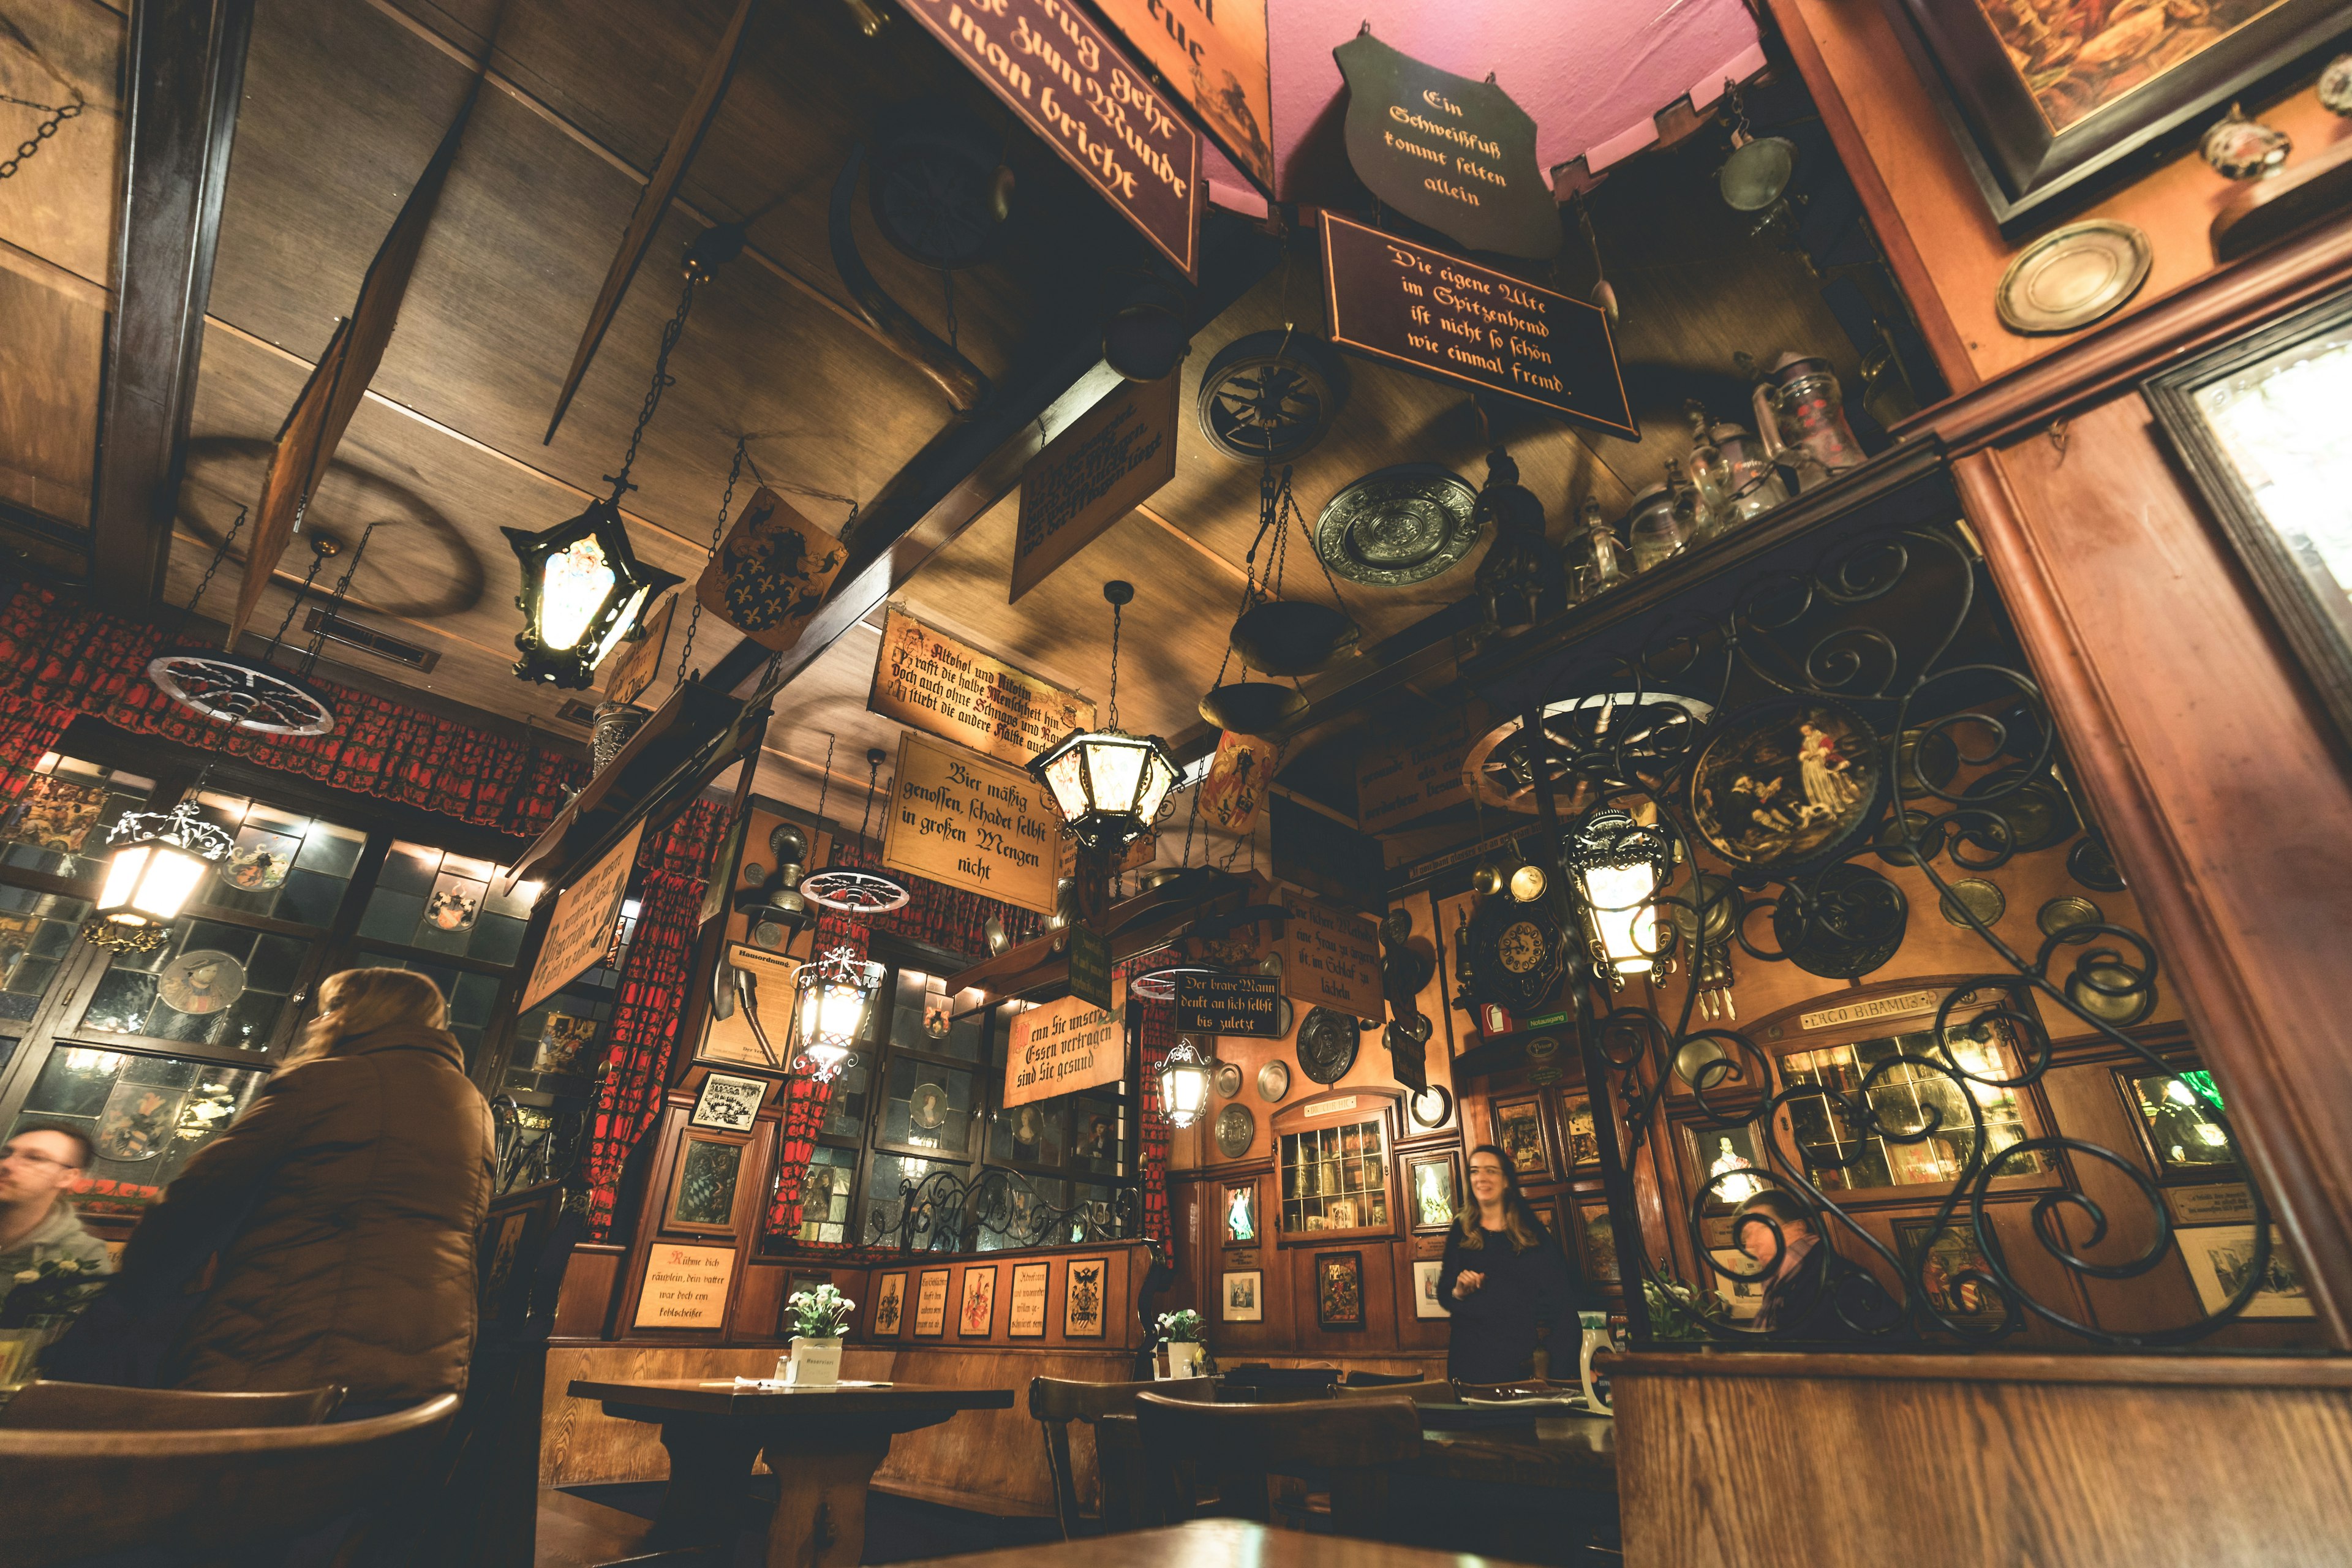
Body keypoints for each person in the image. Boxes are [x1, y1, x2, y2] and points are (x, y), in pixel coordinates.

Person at [112, 967, 494, 1410]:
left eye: (329, 1009)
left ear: (357, 1014)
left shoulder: (329, 1081)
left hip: (289, 1341)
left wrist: (134, 1294)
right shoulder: (473, 1105)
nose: (315, 1023)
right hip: (424, 1352)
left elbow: (197, 1197)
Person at [1436, 1144, 1586, 1384]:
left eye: (1490, 1171)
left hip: (1518, 1360)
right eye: (1475, 1171)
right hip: (1468, 1358)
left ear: (1506, 1181)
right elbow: (1444, 1294)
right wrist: (1458, 1292)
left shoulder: (1530, 1233)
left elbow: (1561, 1301)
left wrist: (1560, 1367)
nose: (1481, 1178)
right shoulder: (1461, 1230)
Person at [1733, 1187, 1883, 1340]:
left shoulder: (1833, 1280)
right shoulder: (1787, 1281)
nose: (1750, 1244)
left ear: (1797, 1228)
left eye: (1761, 1228)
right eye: (1747, 1236)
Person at [0, 1123, 111, 1297]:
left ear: (67, 1177)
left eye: (34, 1158)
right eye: (5, 1154)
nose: (6, 1164)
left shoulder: (82, 1254)